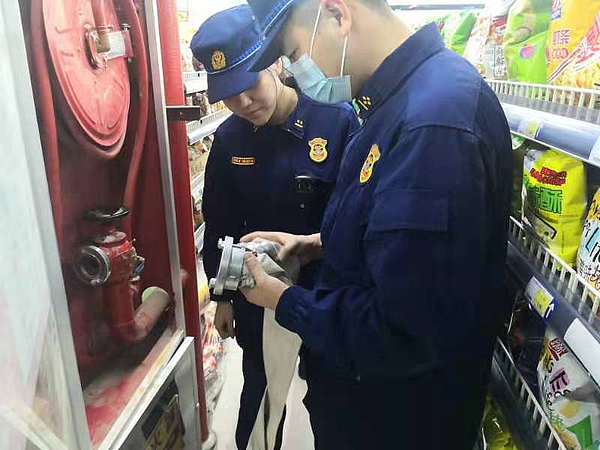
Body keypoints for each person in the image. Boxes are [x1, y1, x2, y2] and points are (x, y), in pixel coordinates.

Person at [240, 0, 513, 449]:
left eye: (293, 53)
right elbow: (405, 249)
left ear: (337, 15)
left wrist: (285, 301)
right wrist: (318, 244)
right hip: (366, 405)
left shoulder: (434, 122)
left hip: (397, 424)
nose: (296, 72)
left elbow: (404, 331)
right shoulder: (399, 100)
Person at [190, 6, 358, 450]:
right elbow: (221, 223)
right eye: (229, 95)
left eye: (250, 84)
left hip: (326, 294)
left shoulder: (336, 121)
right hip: (257, 292)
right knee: (260, 399)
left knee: (330, 402)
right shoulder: (230, 139)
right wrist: (223, 295)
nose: (244, 103)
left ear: (276, 64)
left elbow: (357, 216)